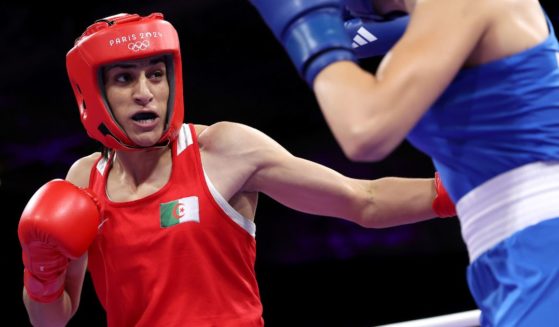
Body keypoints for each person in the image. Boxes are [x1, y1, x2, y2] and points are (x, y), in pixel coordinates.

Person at [17, 12, 456, 327]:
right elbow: (50, 321)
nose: (146, 93)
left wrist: (467, 191)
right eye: (124, 79)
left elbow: (364, 201)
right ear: (92, 94)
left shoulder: (223, 150)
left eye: (156, 74)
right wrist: (42, 273)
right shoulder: (82, 182)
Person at [249, 0, 559, 325]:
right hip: (506, 253)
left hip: (542, 241)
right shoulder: (428, 29)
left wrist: (307, 25)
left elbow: (363, 129)